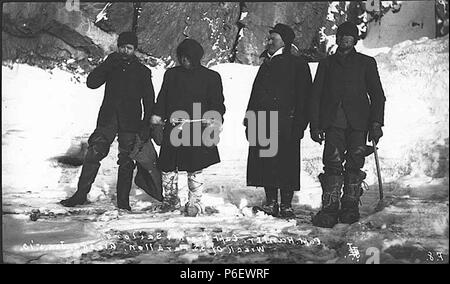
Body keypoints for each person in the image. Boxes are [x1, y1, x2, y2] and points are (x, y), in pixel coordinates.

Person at [60, 31, 155, 211]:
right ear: (118, 47)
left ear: (134, 50)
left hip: (131, 122)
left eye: (129, 48)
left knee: (126, 161)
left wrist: (145, 126)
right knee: (93, 154)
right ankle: (81, 194)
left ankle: (123, 201)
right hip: (108, 119)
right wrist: (108, 64)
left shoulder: (143, 71)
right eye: (122, 47)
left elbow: (149, 101)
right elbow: (92, 83)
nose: (125, 51)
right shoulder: (112, 64)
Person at [309, 21, 386, 228]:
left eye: (349, 36)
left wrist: (377, 122)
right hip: (333, 123)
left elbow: (377, 95)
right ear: (336, 38)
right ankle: (330, 209)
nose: (345, 39)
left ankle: (350, 208)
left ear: (355, 40)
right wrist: (314, 126)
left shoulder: (366, 63)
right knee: (332, 164)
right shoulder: (326, 63)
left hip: (359, 123)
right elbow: (315, 97)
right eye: (342, 35)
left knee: (354, 164)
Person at [150, 38, 225, 217]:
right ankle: (170, 200)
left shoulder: (211, 77)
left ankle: (195, 202)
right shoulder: (171, 75)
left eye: (188, 57)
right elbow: (163, 98)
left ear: (196, 57)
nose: (184, 60)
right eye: (182, 57)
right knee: (168, 166)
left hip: (197, 128)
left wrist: (214, 119)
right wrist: (157, 117)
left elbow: (218, 103)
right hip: (174, 126)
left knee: (194, 166)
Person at [244, 23, 312, 218]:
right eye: (269, 39)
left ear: (284, 40)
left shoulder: (297, 64)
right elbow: (255, 94)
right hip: (263, 121)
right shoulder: (267, 63)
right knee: (266, 162)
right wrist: (249, 119)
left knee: (287, 163)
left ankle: (287, 205)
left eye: (272, 39)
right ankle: (272, 203)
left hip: (287, 123)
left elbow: (305, 96)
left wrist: (300, 123)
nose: (268, 42)